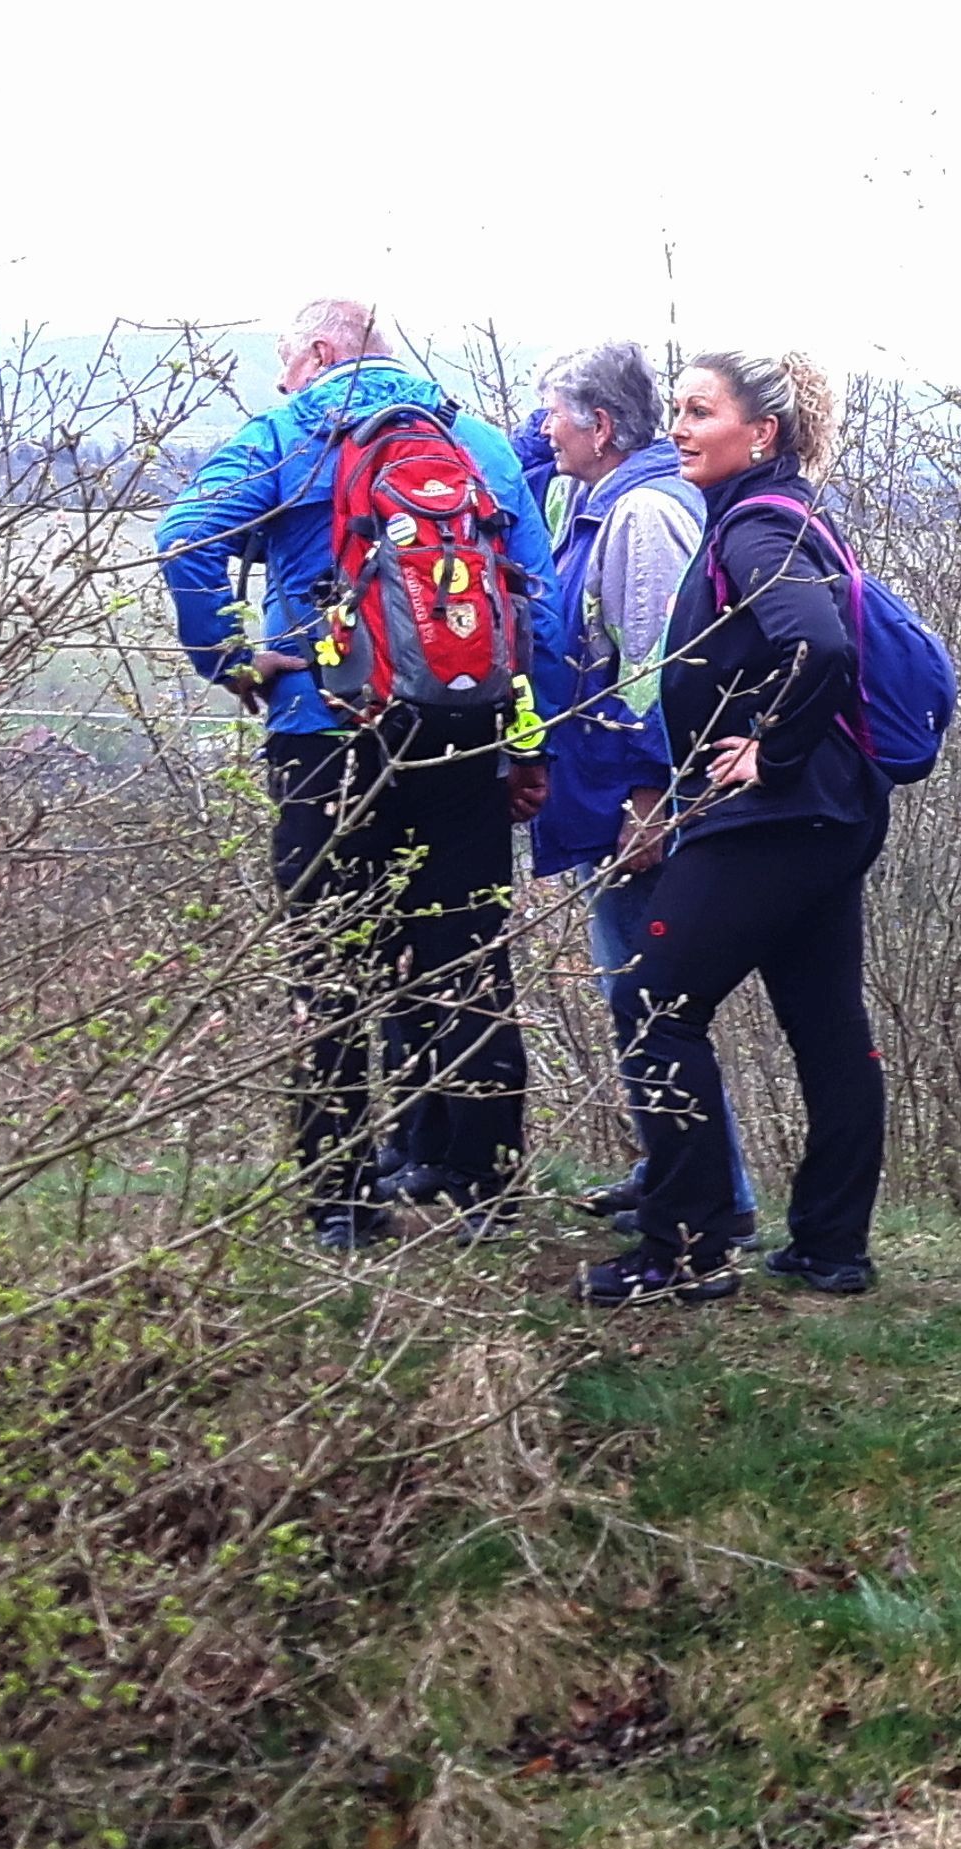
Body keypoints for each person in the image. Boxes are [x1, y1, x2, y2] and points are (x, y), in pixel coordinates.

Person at [154, 298, 561, 1249]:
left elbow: (185, 537)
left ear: (324, 354)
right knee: (468, 954)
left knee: (329, 961)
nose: (281, 382)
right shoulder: (484, 447)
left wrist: (231, 656)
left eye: (287, 363)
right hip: (462, 737)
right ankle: (486, 1187)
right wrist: (526, 744)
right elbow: (535, 609)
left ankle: (341, 1201)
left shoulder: (289, 436)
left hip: (325, 732)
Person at [584, 350, 888, 1308]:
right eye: (676, 408)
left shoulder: (758, 528)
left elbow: (820, 643)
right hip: (832, 813)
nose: (678, 427)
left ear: (761, 433)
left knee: (658, 1003)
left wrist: (773, 752)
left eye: (700, 411)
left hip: (776, 816)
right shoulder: (794, 516)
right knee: (828, 1026)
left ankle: (688, 1248)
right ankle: (830, 1248)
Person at [518, 343, 757, 1250]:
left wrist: (648, 798)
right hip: (609, 793)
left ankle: (714, 1198)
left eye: (559, 415)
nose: (546, 430)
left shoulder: (644, 513)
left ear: (604, 427)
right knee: (632, 992)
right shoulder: (599, 499)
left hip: (639, 800)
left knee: (653, 999)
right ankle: (672, 1168)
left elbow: (660, 669)